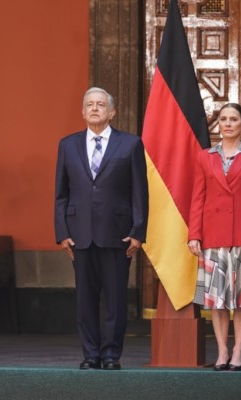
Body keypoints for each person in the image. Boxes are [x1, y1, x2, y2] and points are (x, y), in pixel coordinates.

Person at [54, 87, 149, 370]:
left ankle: (110, 355)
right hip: (79, 234)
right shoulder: (67, 144)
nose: (94, 109)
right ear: (82, 112)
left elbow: (139, 192)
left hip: (117, 232)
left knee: (115, 300)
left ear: (112, 112)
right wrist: (62, 232)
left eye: (100, 105)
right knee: (85, 299)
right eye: (89, 105)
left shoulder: (130, 144)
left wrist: (138, 231)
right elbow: (61, 193)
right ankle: (90, 354)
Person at [187, 102, 241, 372]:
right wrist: (194, 234)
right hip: (213, 236)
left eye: (234, 119)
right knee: (218, 301)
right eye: (223, 119)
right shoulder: (204, 156)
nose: (228, 124)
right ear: (218, 124)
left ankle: (238, 350)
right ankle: (222, 351)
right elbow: (198, 197)